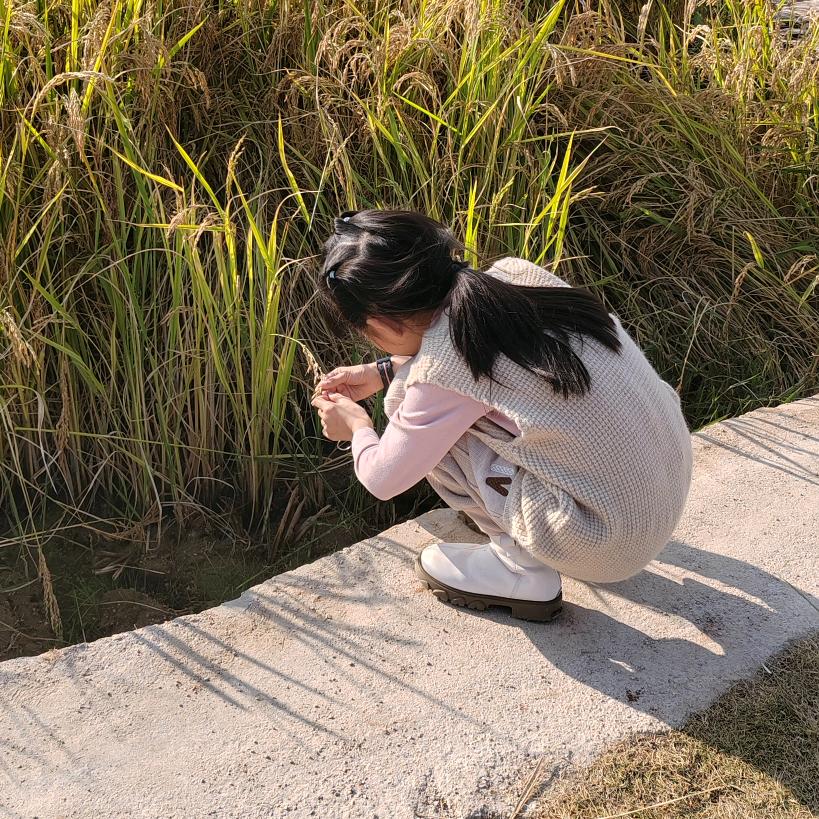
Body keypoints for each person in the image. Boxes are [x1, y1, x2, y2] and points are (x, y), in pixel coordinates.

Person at [311, 209, 693, 622]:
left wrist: (356, 426)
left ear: (381, 324)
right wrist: (382, 370)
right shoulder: (515, 277)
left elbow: (383, 478)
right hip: (667, 480)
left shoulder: (442, 373)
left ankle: (520, 569)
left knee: (408, 409)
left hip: (608, 544)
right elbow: (485, 364)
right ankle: (530, 535)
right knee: (427, 400)